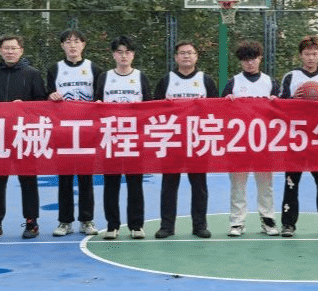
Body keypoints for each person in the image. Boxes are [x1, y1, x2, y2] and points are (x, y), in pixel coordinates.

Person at [0, 35, 46, 239]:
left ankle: (31, 222)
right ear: (0, 50)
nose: (10, 51)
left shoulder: (32, 74)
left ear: (21, 50)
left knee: (28, 179)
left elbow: (42, 103)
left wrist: (24, 107)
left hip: (25, 135)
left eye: (13, 48)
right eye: (6, 48)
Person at [153, 40, 217, 238]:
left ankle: (199, 225)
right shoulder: (167, 80)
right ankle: (167, 226)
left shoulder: (206, 81)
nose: (186, 56)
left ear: (196, 56)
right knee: (169, 186)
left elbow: (216, 110)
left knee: (199, 186)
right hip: (172, 140)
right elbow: (154, 110)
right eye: (182, 53)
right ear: (176, 57)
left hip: (197, 141)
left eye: (190, 52)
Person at [278, 35, 318, 239]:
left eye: (314, 54)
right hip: (295, 137)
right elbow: (280, 106)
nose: (311, 57)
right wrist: (293, 99)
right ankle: (288, 224)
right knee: (291, 182)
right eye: (307, 54)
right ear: (301, 55)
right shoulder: (291, 77)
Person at [93, 35, 152, 239]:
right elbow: (96, 104)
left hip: (134, 138)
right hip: (111, 137)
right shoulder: (105, 77)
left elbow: (149, 107)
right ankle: (112, 225)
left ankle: (136, 225)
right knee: (111, 183)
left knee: (135, 183)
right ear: (113, 55)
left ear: (133, 55)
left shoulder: (140, 77)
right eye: (119, 52)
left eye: (127, 52)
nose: (123, 56)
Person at [221, 40, 280, 238]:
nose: (250, 63)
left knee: (265, 185)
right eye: (246, 59)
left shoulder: (270, 82)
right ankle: (237, 222)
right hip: (239, 142)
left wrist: (277, 102)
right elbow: (220, 111)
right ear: (240, 61)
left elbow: (281, 112)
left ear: (260, 59)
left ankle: (268, 219)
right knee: (238, 185)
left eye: (253, 58)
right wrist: (226, 102)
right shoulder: (234, 82)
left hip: (264, 142)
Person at [47, 28, 101, 236]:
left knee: (86, 177)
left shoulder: (93, 68)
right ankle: (65, 221)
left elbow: (99, 97)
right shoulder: (55, 69)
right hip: (63, 130)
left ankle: (87, 220)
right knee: (65, 178)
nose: (72, 45)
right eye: (68, 41)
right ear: (62, 45)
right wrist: (50, 96)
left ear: (83, 45)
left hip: (86, 130)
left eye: (77, 41)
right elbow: (47, 95)